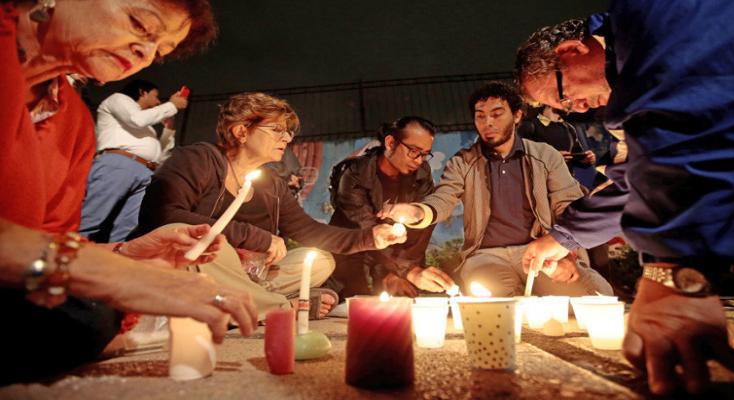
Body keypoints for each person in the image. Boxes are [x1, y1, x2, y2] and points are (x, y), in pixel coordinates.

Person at [514, 1, 734, 394]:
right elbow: (644, 176)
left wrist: (673, 273)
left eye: (567, 96)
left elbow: (689, 125)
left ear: (571, 51)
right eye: (568, 109)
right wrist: (563, 237)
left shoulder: (653, 22)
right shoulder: (643, 58)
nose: (580, 108)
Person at [0, 0, 257, 384]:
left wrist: (127, 257)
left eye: (160, 50)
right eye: (140, 23)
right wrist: (113, 275)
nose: (145, 53)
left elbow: (48, 246)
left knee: (89, 311)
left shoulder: (72, 121)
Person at [133, 92, 407, 321]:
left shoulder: (272, 184)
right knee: (212, 247)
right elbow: (164, 216)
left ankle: (240, 303)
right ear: (241, 131)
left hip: (248, 275)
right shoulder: (196, 160)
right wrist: (258, 237)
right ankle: (282, 307)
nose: (287, 139)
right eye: (277, 130)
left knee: (318, 260)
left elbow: (310, 230)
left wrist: (371, 237)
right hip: (194, 266)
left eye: (288, 132)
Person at [381, 82, 612, 297]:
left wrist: (567, 252)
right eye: (480, 116)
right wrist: (417, 212)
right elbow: (443, 199)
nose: (487, 123)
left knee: (598, 295)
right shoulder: (463, 161)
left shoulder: (545, 156)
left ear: (518, 116)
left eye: (496, 114)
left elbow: (568, 205)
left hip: (539, 251)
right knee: (499, 303)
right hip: (486, 256)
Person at [328, 116, 454, 298]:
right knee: (356, 306)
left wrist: (401, 272)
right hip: (353, 252)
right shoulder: (355, 175)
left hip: (396, 259)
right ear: (390, 142)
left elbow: (419, 231)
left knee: (403, 307)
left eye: (425, 154)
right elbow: (368, 231)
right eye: (414, 151)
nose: (419, 160)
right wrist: (407, 270)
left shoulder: (421, 173)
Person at [80, 79, 188, 242]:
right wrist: (171, 105)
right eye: (156, 96)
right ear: (142, 92)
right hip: (119, 164)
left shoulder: (147, 128)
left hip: (145, 171)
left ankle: (114, 261)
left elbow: (160, 155)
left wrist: (168, 128)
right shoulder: (118, 99)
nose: (158, 101)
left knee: (128, 228)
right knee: (94, 218)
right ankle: (67, 255)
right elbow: (136, 119)